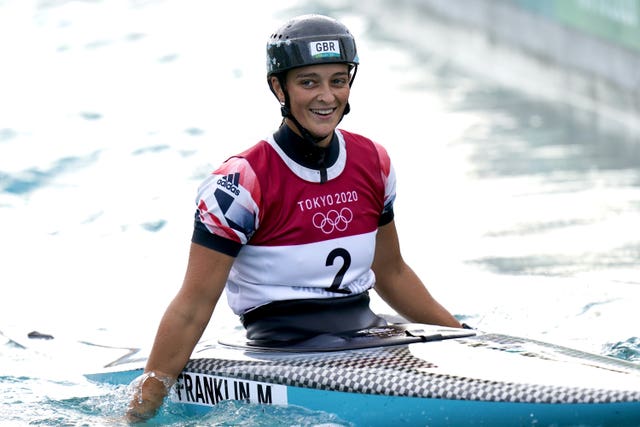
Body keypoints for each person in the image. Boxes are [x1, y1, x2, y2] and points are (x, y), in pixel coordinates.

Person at [126, 13, 462, 422]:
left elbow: (391, 273)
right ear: (277, 87)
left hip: (369, 336)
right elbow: (193, 306)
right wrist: (136, 414)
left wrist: (464, 341)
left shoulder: (373, 161)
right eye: (309, 82)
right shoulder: (239, 183)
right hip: (284, 350)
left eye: (338, 80)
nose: (327, 96)